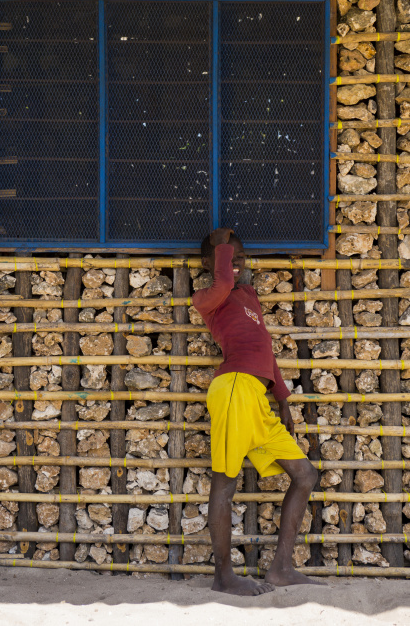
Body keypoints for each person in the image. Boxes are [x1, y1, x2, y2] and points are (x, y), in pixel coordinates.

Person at [193, 227, 319, 596]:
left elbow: (265, 351)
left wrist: (283, 401)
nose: (239, 258)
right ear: (213, 262)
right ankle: (224, 576)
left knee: (305, 474)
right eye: (231, 255)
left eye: (241, 253)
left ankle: (280, 568)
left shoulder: (247, 296)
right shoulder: (207, 298)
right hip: (233, 389)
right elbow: (221, 283)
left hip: (256, 398)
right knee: (226, 482)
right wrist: (222, 251)